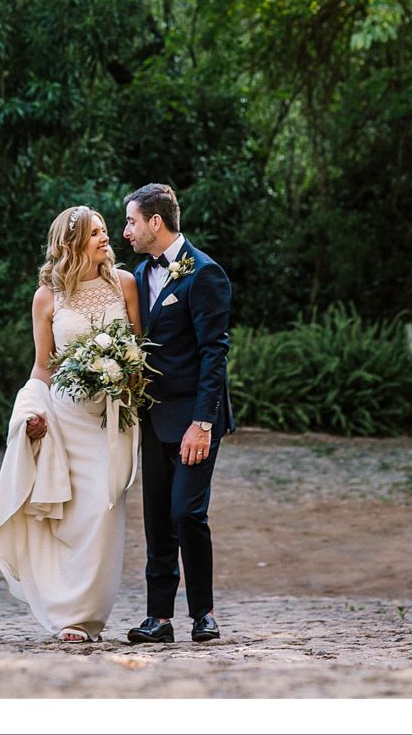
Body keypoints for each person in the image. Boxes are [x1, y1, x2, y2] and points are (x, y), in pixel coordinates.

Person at [0, 205, 141, 643]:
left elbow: (141, 353)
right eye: (95, 234)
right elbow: (42, 368)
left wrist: (126, 377)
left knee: (102, 513)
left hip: (110, 420)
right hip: (64, 418)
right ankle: (69, 616)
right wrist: (30, 412)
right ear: (71, 244)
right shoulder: (47, 298)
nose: (105, 239)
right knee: (68, 518)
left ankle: (91, 613)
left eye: (106, 231)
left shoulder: (124, 285)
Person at [122, 182, 234, 645]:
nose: (125, 231)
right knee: (157, 518)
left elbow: (214, 353)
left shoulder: (204, 274)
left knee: (187, 512)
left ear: (155, 221)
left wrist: (202, 423)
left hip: (194, 418)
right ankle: (159, 619)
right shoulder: (135, 275)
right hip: (152, 416)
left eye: (131, 221)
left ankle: (203, 613)